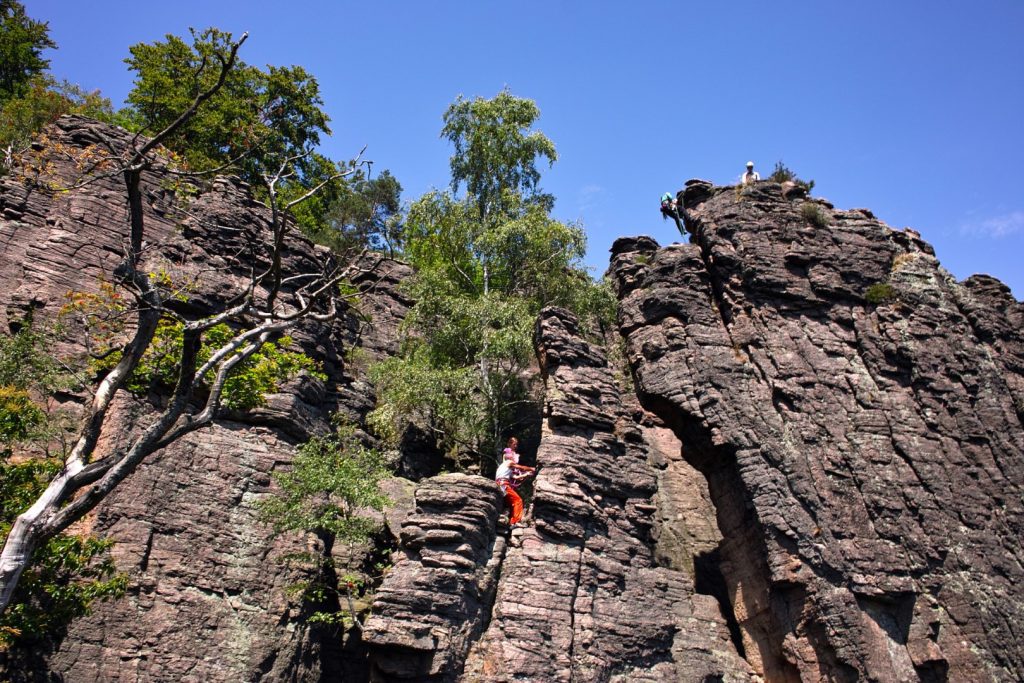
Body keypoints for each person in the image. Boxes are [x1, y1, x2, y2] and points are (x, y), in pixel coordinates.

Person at [495, 437, 535, 526]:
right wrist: (532, 469)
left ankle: (511, 522)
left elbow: (516, 477)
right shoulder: (509, 462)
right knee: (518, 500)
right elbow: (521, 467)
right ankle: (516, 521)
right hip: (503, 484)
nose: (515, 459)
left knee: (511, 504)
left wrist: (526, 475)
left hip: (501, 484)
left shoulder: (505, 467)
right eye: (514, 457)